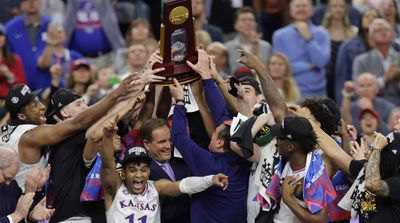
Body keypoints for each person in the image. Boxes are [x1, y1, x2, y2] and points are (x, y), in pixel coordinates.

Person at [0, 73, 140, 191]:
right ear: (21, 116)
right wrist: (117, 94)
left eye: (38, 101)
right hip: (25, 202)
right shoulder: (30, 135)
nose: (42, 107)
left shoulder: (8, 131)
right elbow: (79, 123)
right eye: (34, 106)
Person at [100, 119, 229, 223]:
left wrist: (210, 179)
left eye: (144, 169)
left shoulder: (156, 187)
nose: (139, 175)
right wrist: (107, 136)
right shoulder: (115, 190)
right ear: (123, 172)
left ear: (149, 171)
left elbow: (183, 185)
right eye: (133, 170)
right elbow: (107, 163)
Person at [170, 74, 251, 222]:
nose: (212, 133)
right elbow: (221, 113)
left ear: (220, 143)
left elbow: (179, 137)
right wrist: (206, 77)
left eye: (214, 133)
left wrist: (179, 102)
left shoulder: (210, 163)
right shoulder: (244, 155)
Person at [273, 0, 330, 98]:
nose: (301, 9)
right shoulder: (279, 35)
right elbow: (281, 69)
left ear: (312, 10)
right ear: (290, 11)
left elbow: (321, 62)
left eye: (304, 5)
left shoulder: (323, 33)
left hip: (319, 93)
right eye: (297, 6)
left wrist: (309, 39)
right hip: (290, 93)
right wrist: (309, 66)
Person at [140, 118, 192, 223]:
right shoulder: (142, 172)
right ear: (147, 144)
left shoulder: (182, 163)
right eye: (162, 142)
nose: (168, 146)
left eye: (170, 140)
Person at [334, 8, 378, 104]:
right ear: (361, 21)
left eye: (374, 17)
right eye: (367, 16)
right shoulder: (348, 46)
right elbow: (341, 76)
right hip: (354, 98)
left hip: (380, 97)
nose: (371, 19)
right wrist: (341, 101)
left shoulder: (387, 45)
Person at [5, 0, 51, 90]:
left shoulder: (51, 25)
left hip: (46, 84)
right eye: (27, 0)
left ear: (41, 2)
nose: (32, 2)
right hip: (19, 86)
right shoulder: (10, 28)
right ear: (21, 4)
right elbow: (6, 56)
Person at [0, 147, 54, 223]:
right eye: (6, 177)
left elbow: (21, 216)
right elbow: (17, 215)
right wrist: (16, 216)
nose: (8, 183)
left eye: (11, 178)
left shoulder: (12, 185)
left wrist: (30, 216)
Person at [64, 0, 125, 67]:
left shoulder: (105, 2)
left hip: (104, 57)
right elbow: (67, 25)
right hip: (78, 57)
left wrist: (119, 48)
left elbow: (111, 24)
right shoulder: (72, 2)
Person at [321, 0, 357, 100]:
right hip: (327, 77)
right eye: (335, 6)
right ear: (329, 9)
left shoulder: (354, 32)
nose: (338, 9)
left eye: (341, 6)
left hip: (347, 76)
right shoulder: (321, 32)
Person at [352, 19, 400, 87]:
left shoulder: (398, 57)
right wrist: (383, 79)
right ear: (371, 39)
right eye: (378, 30)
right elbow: (357, 89)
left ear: (392, 36)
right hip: (372, 97)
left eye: (386, 29)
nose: (383, 33)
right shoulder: (361, 61)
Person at [225, 6, 271, 73]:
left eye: (251, 20)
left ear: (256, 24)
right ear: (235, 25)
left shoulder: (266, 47)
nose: (247, 23)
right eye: (243, 20)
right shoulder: (227, 47)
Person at [0, 23, 27, 103]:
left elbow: (23, 88)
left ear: (5, 38)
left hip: (10, 104)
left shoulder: (14, 59)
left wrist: (9, 75)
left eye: (0, 35)